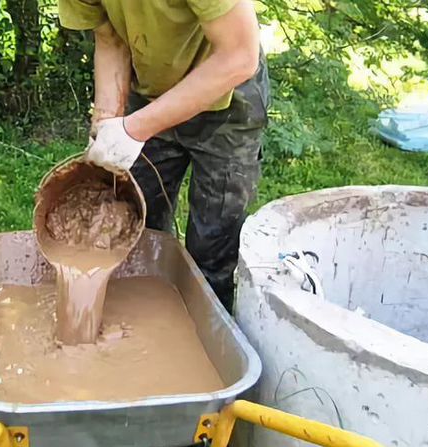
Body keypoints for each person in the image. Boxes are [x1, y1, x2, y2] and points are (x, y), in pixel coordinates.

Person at [58, 0, 270, 311]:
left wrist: (134, 130)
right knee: (134, 224)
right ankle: (144, 324)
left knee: (212, 245)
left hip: (226, 94)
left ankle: (207, 338)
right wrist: (108, 120)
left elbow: (240, 55)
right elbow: (110, 38)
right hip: (150, 90)